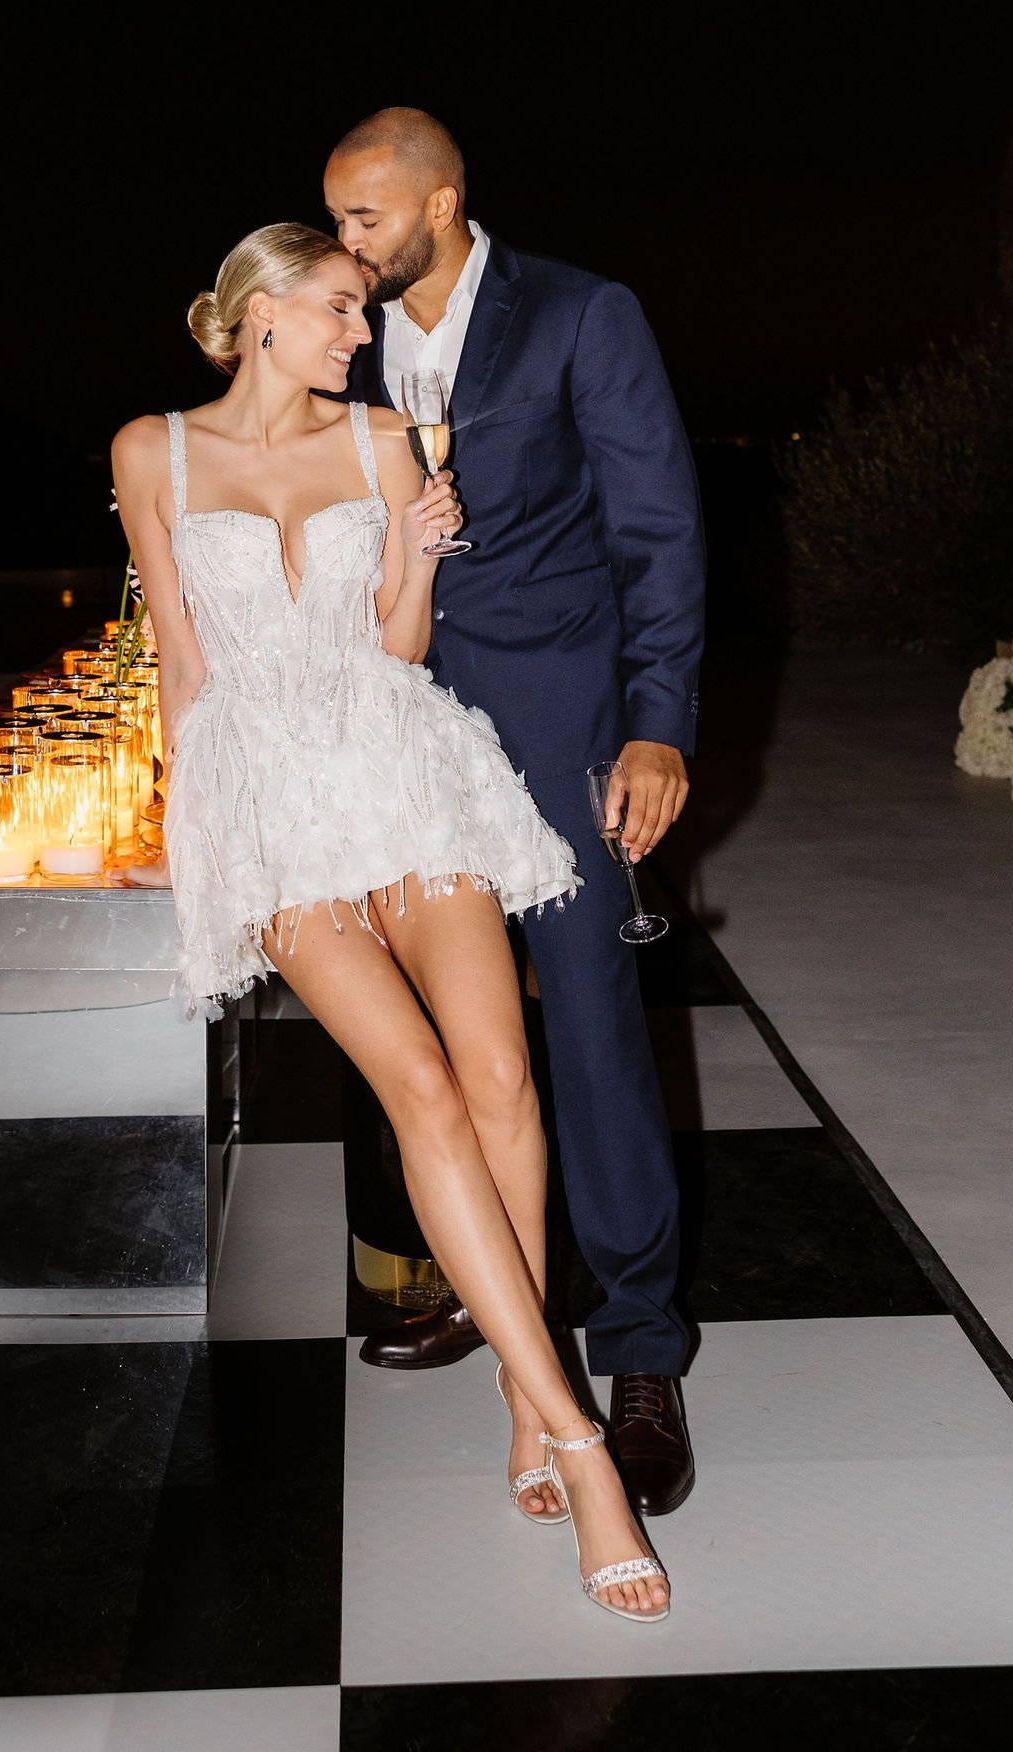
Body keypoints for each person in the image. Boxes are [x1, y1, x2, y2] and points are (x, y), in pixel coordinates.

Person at [112, 221, 672, 1620]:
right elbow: (182, 666)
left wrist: (422, 551)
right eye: (341, 310)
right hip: (278, 806)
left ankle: (521, 1395)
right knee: (419, 1086)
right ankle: (586, 1443)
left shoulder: (381, 442)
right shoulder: (152, 454)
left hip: (406, 767)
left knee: (499, 1082)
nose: (365, 334)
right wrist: (195, 842)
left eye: (362, 312)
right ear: (262, 317)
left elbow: (401, 646)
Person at [325, 110, 704, 1520]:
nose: (346, 245)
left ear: (444, 199)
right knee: (437, 1037)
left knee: (592, 1028)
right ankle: (498, 1299)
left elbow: (659, 530)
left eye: (367, 217)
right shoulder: (339, 331)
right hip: (401, 725)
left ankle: (644, 1352)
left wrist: (655, 725)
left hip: (560, 728)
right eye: (335, 220)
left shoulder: (582, 316)